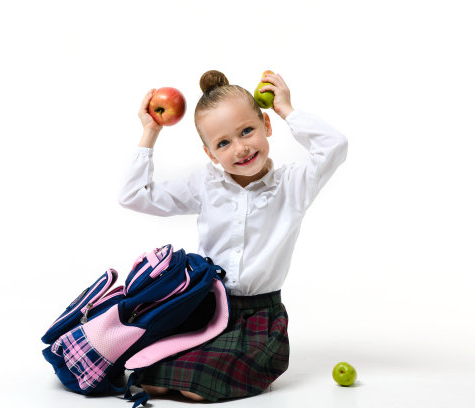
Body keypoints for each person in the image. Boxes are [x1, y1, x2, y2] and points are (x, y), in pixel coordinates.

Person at [118, 70, 348, 402]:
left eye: (247, 131)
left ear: (267, 127)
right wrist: (150, 131)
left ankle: (218, 370)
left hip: (259, 317)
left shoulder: (294, 185)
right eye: (223, 143)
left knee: (196, 387)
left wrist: (287, 109)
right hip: (206, 309)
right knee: (148, 378)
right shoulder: (205, 183)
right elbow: (133, 195)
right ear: (210, 153)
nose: (240, 149)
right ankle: (181, 366)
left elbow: (335, 146)